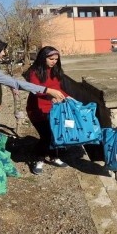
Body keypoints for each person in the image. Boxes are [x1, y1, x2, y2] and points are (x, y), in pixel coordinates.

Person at [24, 46, 70, 175]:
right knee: (46, 136)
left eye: (56, 59)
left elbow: (58, 88)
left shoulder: (56, 71)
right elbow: (36, 90)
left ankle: (54, 157)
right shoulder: (34, 72)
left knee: (55, 133)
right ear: (43, 58)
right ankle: (39, 159)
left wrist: (67, 97)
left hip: (54, 109)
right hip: (37, 109)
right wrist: (50, 95)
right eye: (51, 59)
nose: (54, 61)